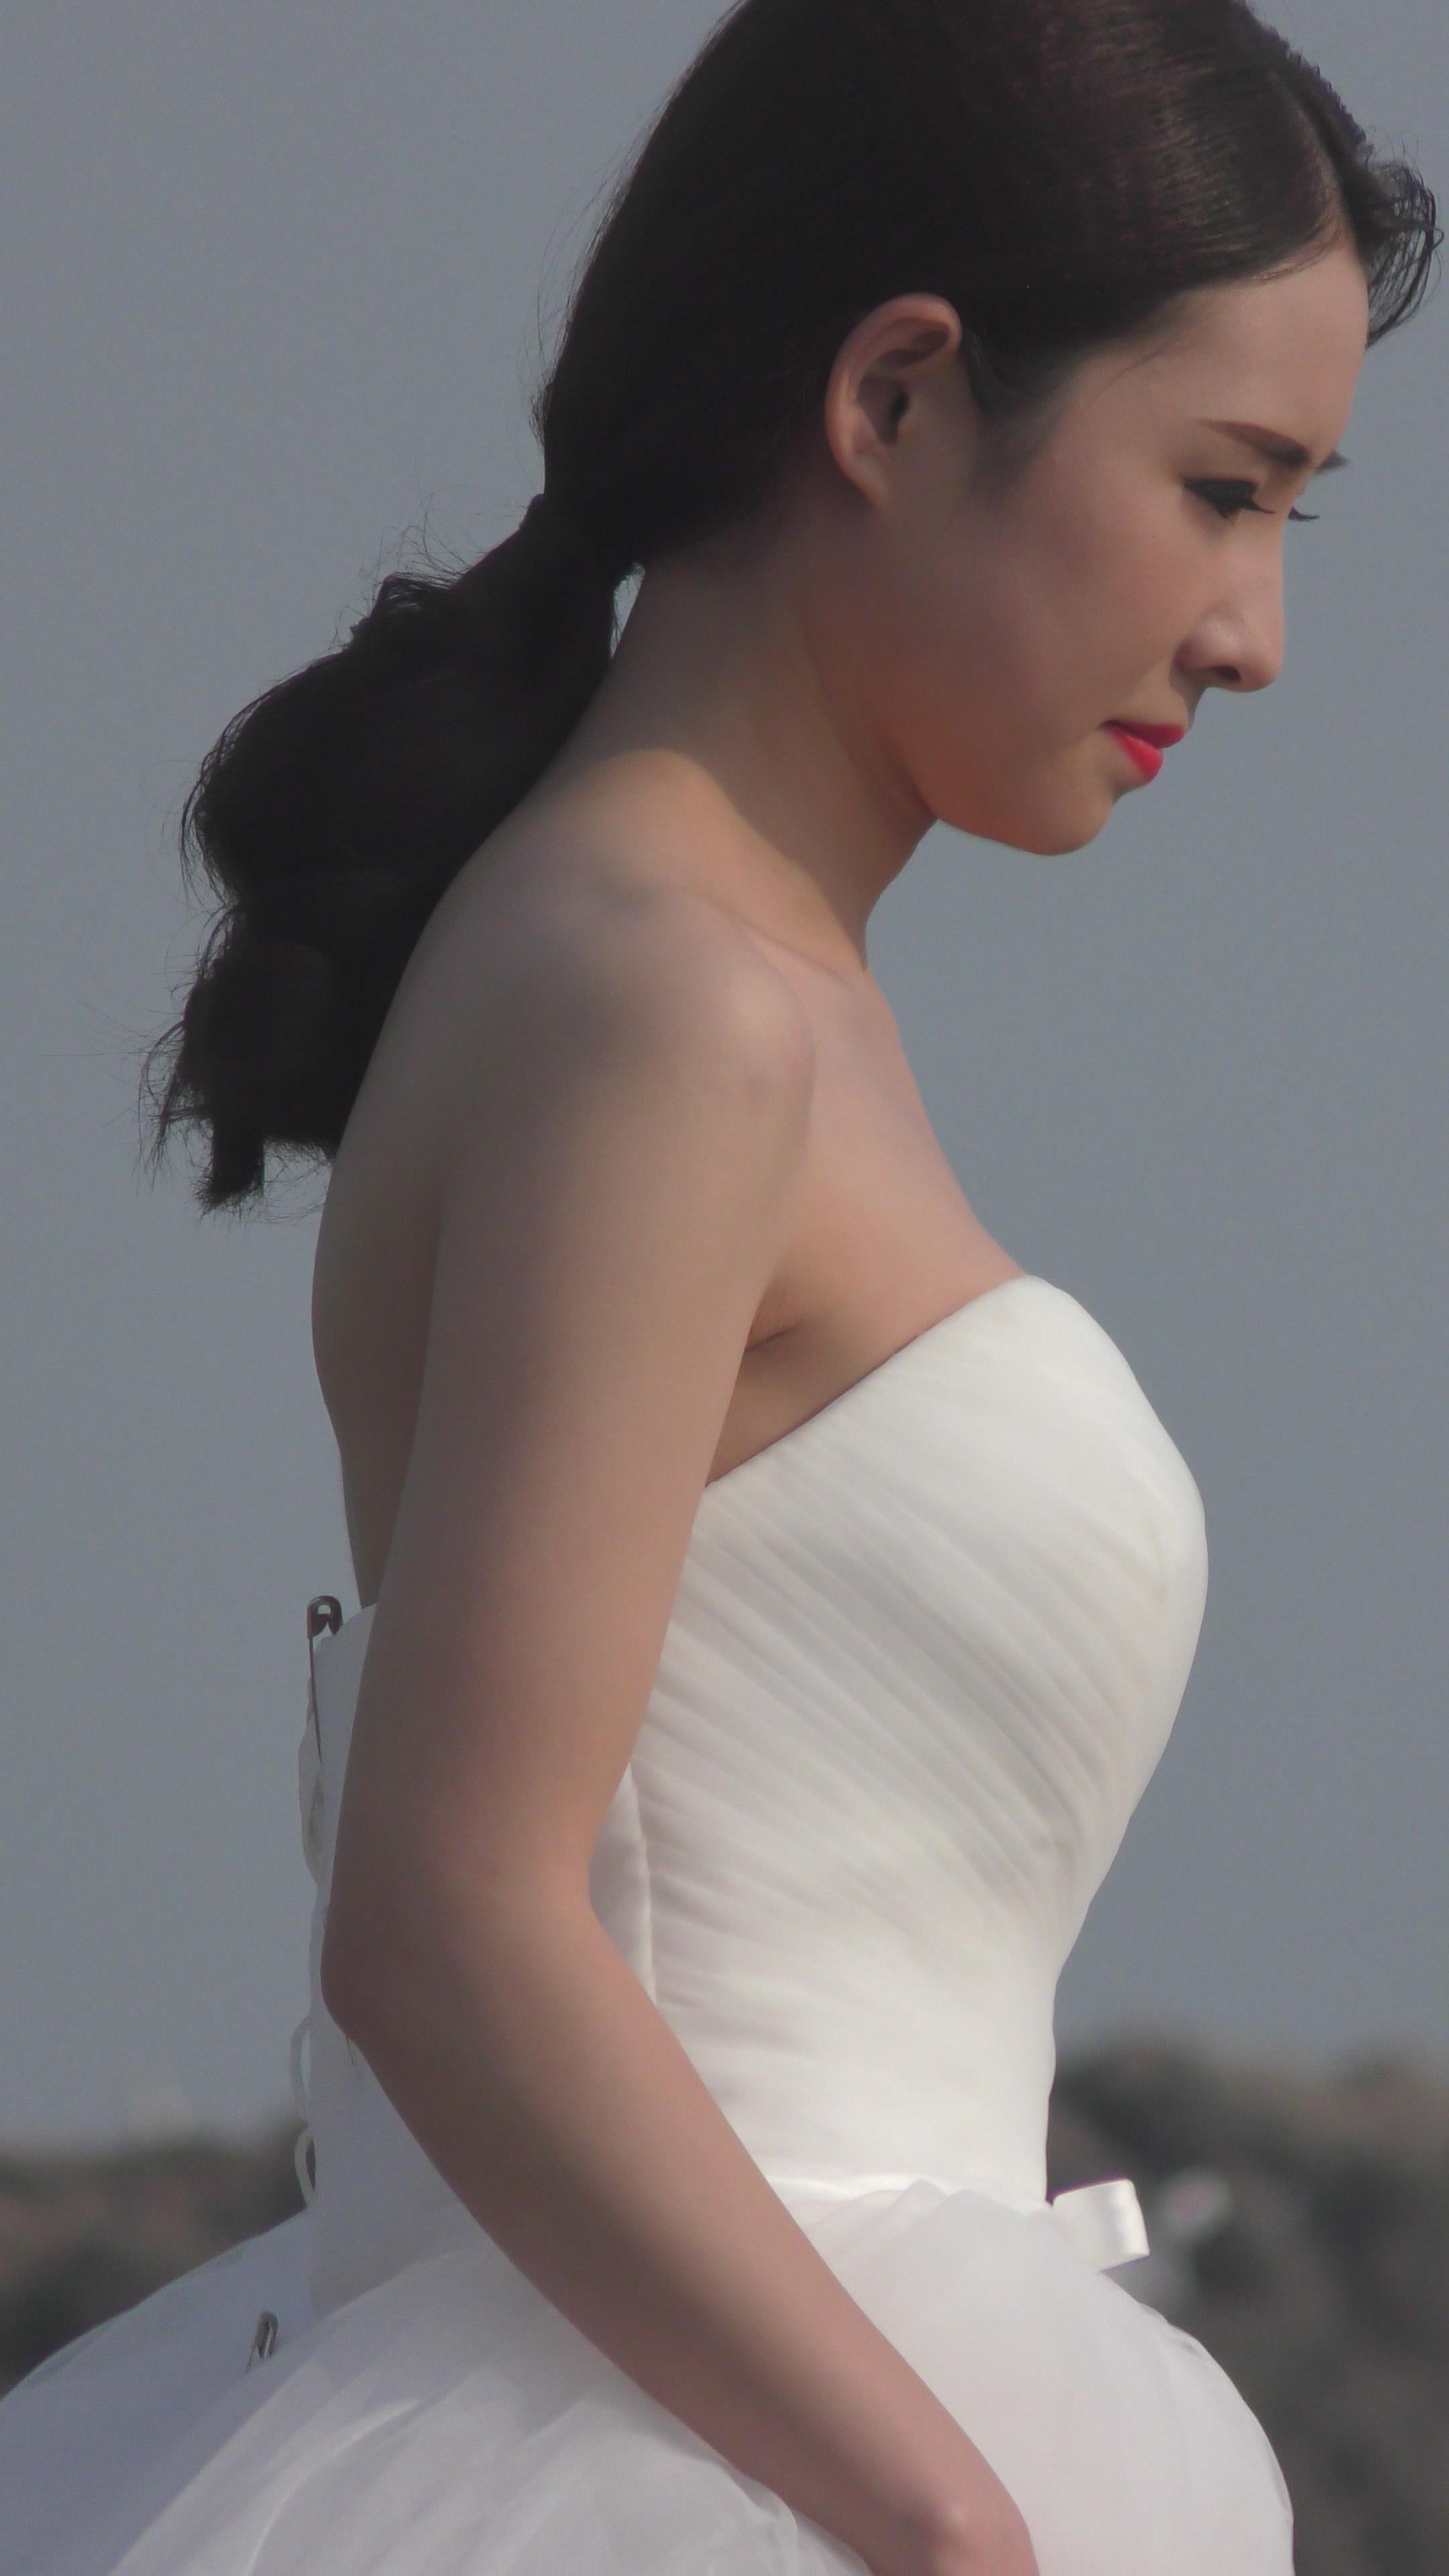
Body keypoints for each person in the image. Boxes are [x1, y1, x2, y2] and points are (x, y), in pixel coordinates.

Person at [1, 1, 1436, 2569]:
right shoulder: (670, 1003)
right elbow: (450, 1913)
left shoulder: (694, 975)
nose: (1257, 635)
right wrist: (947, 2523)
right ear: (893, 397)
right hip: (706, 2447)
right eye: (1223, 491)